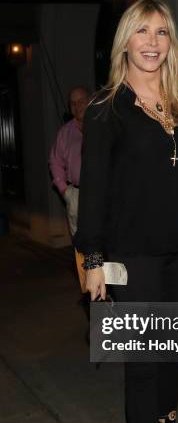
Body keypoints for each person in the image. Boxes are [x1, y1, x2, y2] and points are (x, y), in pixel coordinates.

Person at [75, 0, 178, 423]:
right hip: (133, 256)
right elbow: (96, 190)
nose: (152, 42)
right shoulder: (107, 108)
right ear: (124, 41)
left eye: (162, 32)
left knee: (174, 357)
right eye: (141, 32)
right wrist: (94, 259)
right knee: (144, 366)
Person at [49, 86, 90, 293]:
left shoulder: (102, 125)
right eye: (73, 103)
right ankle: (89, 292)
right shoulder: (65, 132)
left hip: (104, 196)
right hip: (77, 194)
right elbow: (55, 162)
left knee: (105, 243)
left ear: (90, 100)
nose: (77, 105)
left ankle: (109, 291)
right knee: (82, 246)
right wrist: (65, 191)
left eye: (81, 100)